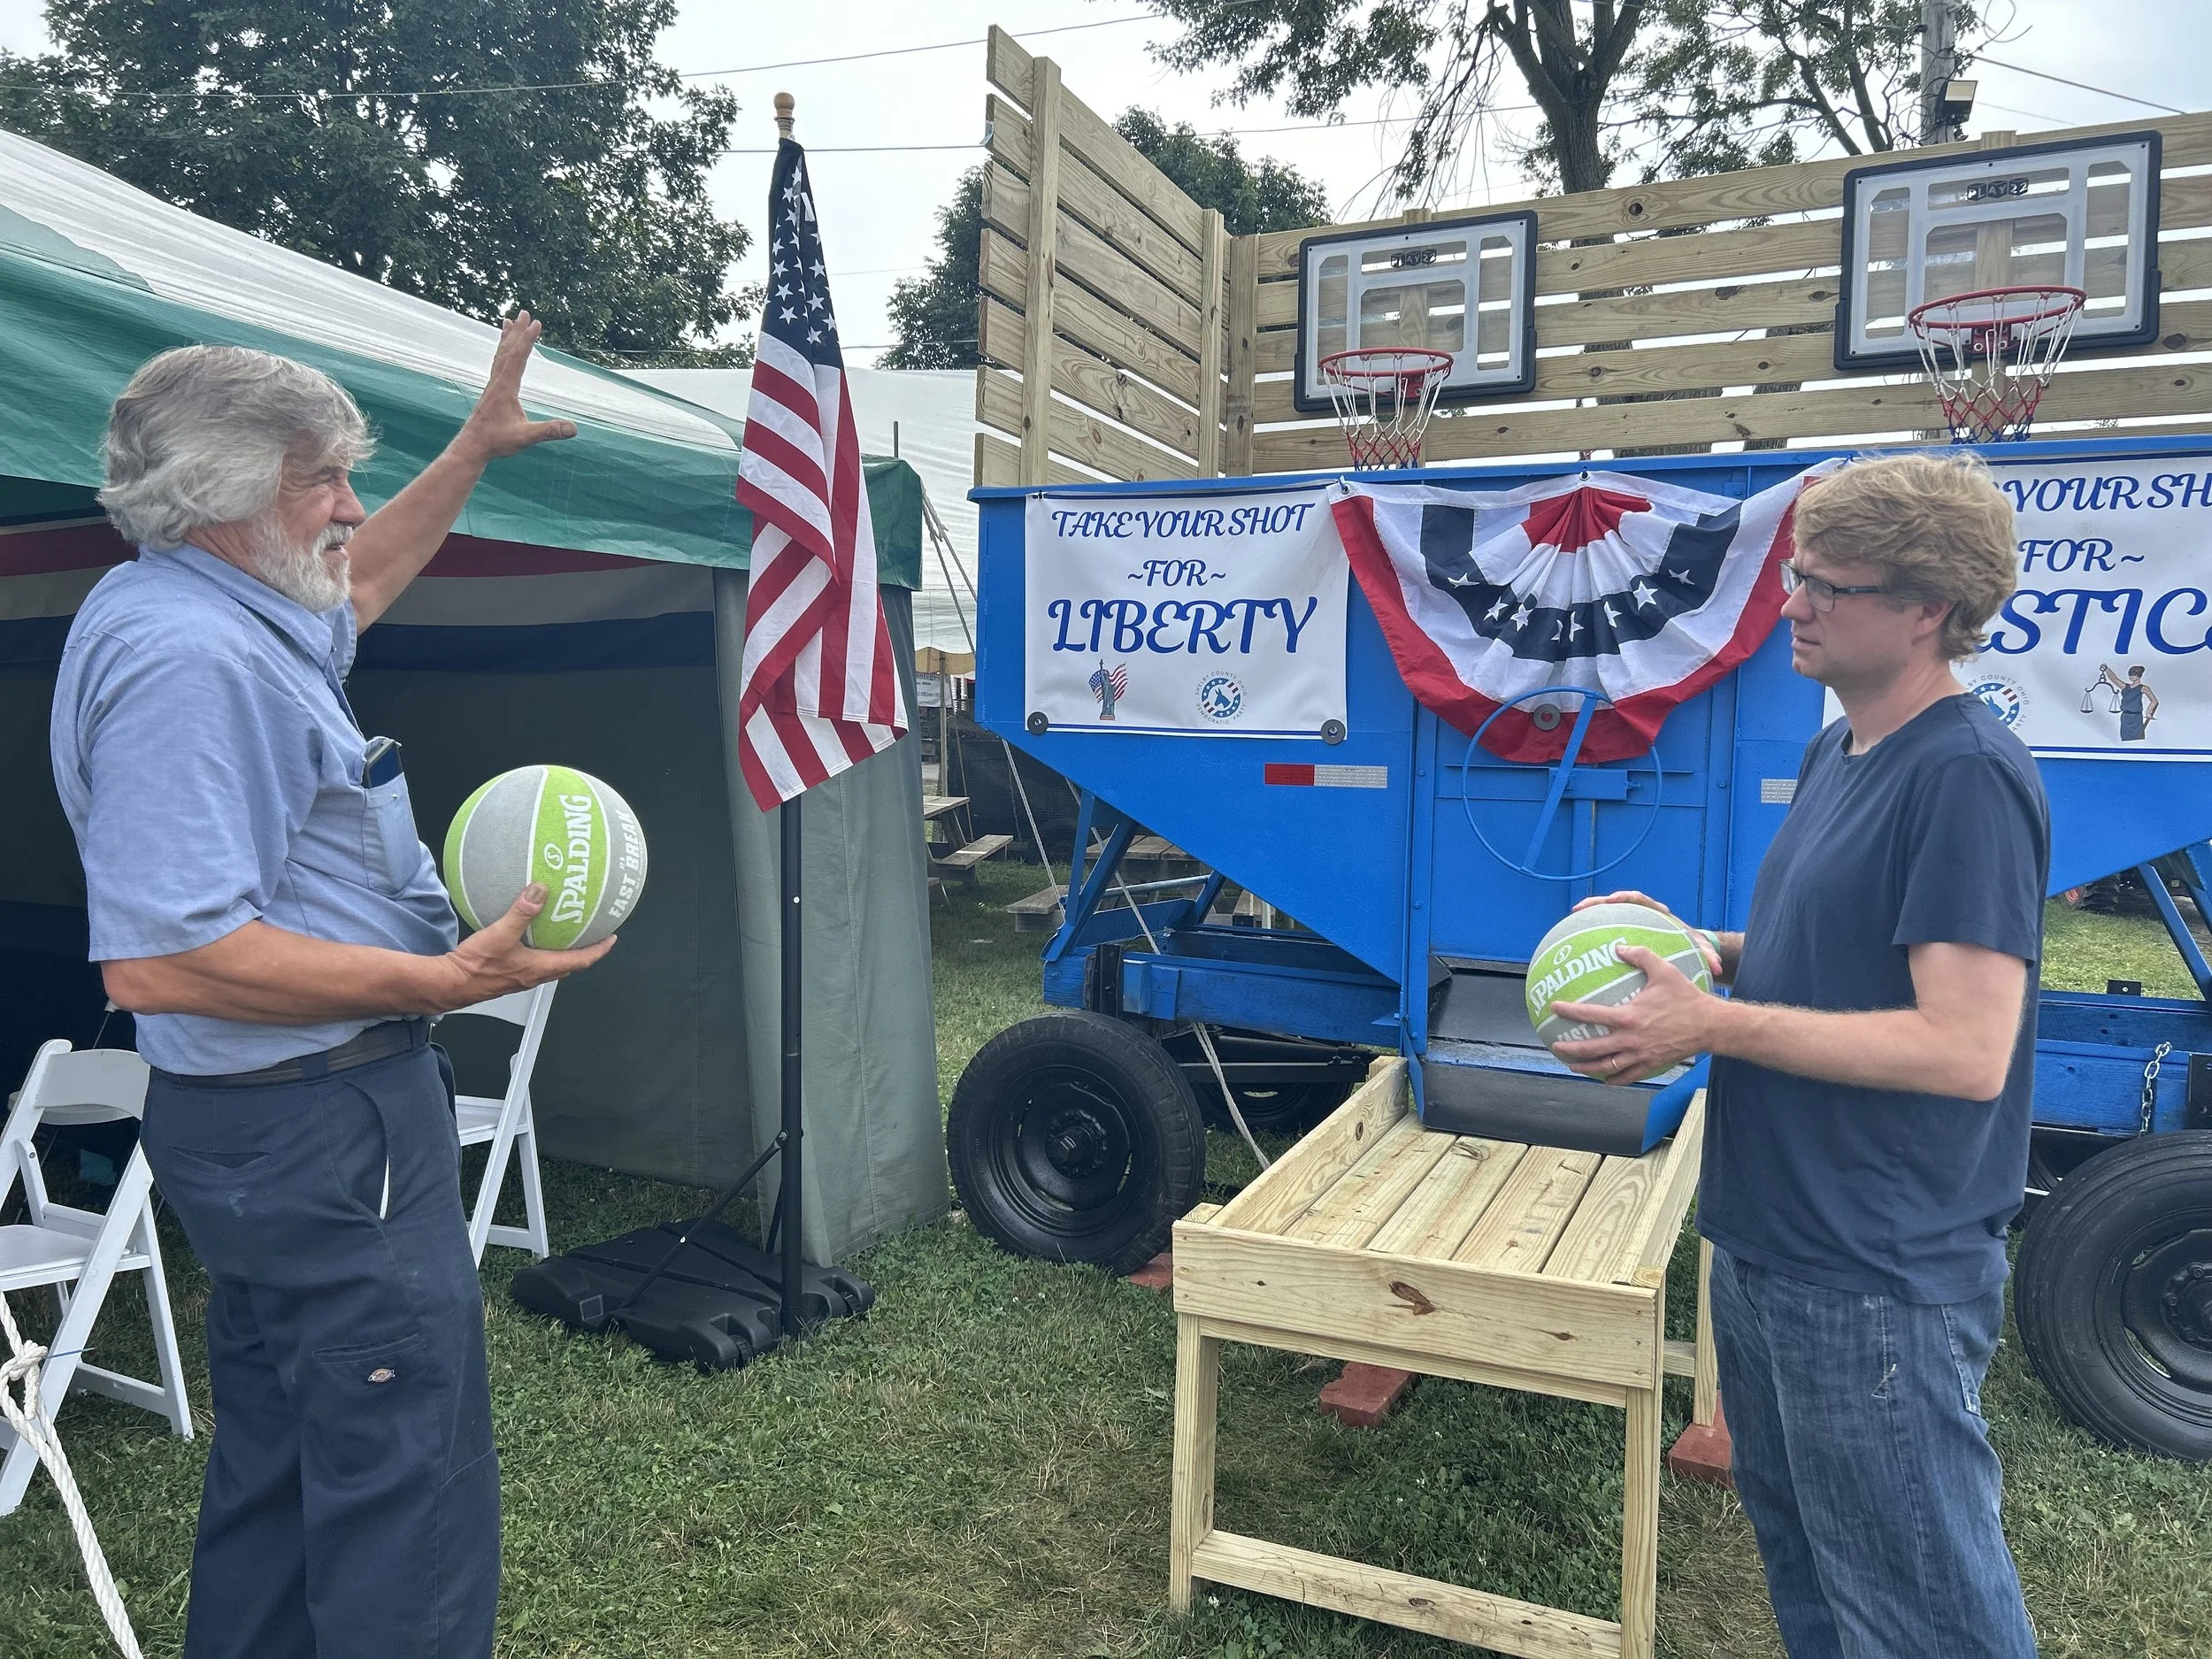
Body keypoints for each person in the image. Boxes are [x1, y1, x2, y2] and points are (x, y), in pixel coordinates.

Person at [50, 319, 609, 1659]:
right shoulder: (193, 664)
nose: (352, 506)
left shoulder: (220, 606)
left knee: (290, 1461)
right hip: (320, 1128)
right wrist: (441, 975)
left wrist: (470, 455)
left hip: (272, 1131)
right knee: (400, 1494)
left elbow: (359, 589)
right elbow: (162, 956)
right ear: (226, 492)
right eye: (323, 480)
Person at [1547, 452, 2047, 1659]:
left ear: (1929, 607)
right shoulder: (1843, 752)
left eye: (1829, 583)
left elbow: (1966, 1046)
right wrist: (1691, 951)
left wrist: (1709, 1027)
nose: (1794, 602)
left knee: (1921, 1610)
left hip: (1874, 1271)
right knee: (1818, 1581)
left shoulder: (1967, 775)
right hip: (1769, 1239)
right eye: (1794, 573)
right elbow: (1828, 953)